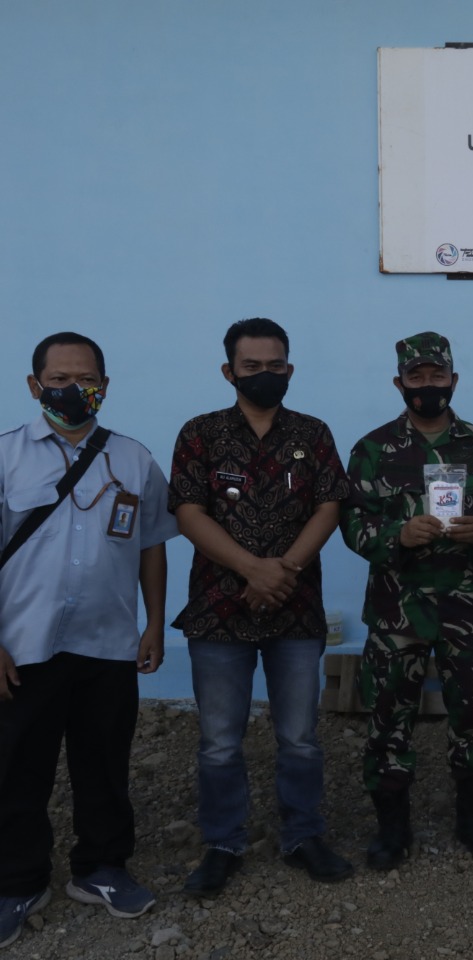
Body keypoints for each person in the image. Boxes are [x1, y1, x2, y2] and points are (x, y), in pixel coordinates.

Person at [0, 332, 177, 947]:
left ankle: (101, 868)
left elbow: (151, 542)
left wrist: (154, 622)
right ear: (34, 385)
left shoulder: (132, 459)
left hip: (108, 644)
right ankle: (19, 880)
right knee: (18, 766)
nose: (74, 390)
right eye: (59, 379)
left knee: (103, 762)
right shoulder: (7, 457)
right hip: (24, 647)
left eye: (86, 378)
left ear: (105, 383)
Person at [169, 318, 352, 895]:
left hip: (295, 609)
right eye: (252, 366)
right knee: (220, 741)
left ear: (290, 370)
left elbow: (329, 506)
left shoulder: (314, 433)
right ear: (229, 371)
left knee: (300, 735)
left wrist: (283, 571)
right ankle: (223, 841)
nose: (265, 375)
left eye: (276, 366)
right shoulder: (200, 433)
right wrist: (251, 568)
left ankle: (304, 835)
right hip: (218, 610)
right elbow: (189, 512)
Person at [341, 332, 473, 868]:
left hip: (465, 609)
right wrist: (396, 534)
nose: (427, 386)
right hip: (397, 611)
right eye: (416, 378)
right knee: (387, 718)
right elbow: (351, 523)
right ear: (399, 383)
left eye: (436, 376)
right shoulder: (372, 448)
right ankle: (392, 829)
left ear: (453, 380)